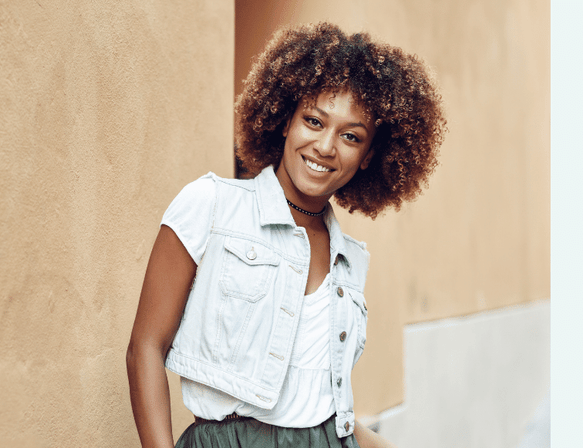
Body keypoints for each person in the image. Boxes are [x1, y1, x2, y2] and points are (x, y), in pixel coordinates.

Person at [126, 22, 446, 448]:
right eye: (313, 121)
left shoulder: (349, 260)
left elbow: (323, 419)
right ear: (285, 121)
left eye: (351, 136)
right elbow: (145, 348)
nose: (326, 146)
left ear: (368, 156)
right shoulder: (211, 204)